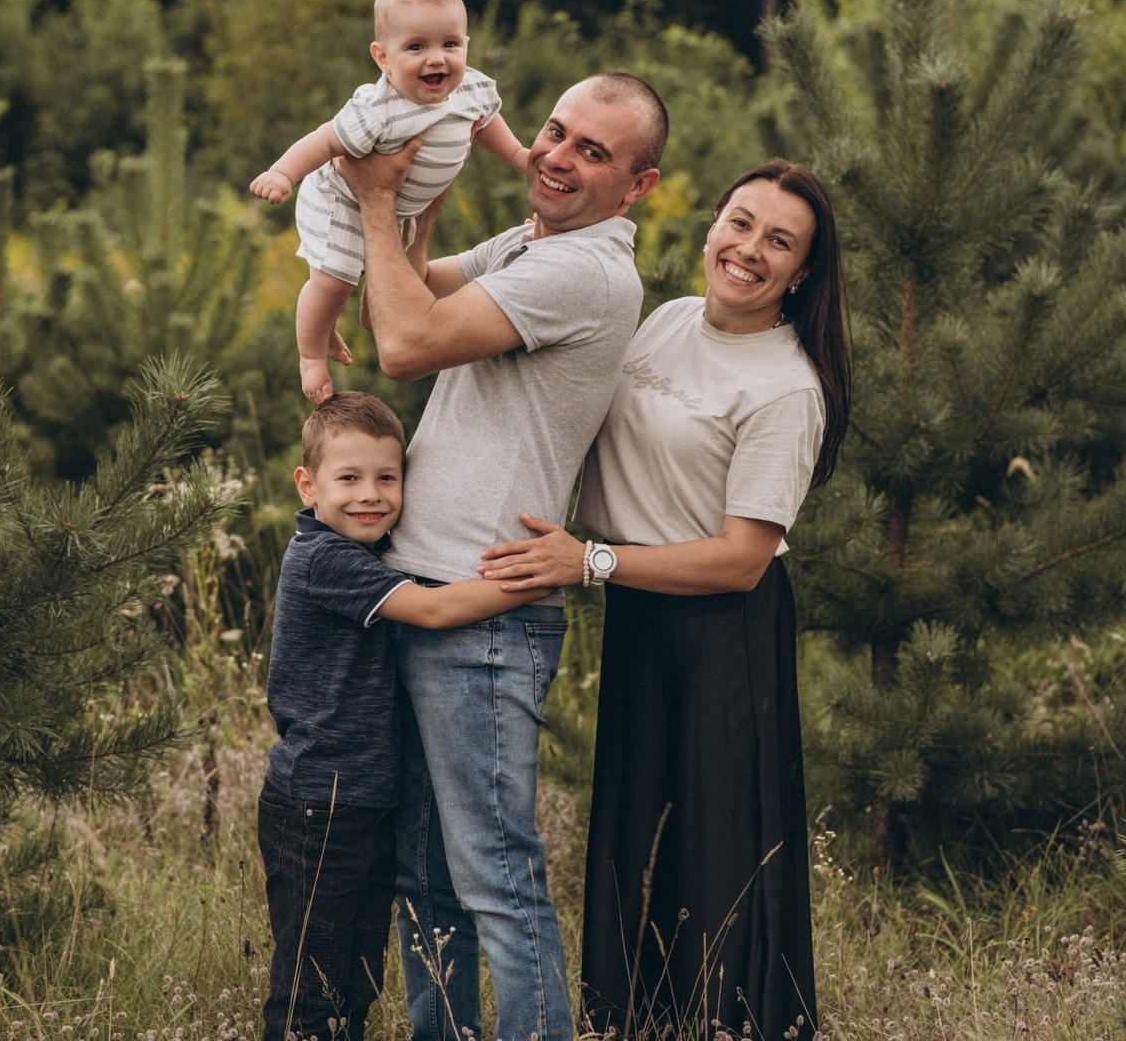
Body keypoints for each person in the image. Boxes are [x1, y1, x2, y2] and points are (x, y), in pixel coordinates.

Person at [479, 160, 852, 1041]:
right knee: (634, 838)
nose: (749, 250)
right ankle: (633, 1022)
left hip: (724, 633)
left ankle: (730, 1025)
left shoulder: (787, 388)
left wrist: (590, 562)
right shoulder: (669, 319)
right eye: (740, 222)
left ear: (801, 273)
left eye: (779, 242)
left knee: (717, 852)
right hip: (640, 611)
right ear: (714, 223)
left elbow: (741, 561)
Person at [340, 74, 669, 1041]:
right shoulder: (537, 244)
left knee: (496, 879)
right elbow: (404, 294)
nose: (558, 156)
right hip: (428, 589)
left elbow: (402, 345)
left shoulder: (585, 272)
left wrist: (371, 200)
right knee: (425, 877)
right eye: (556, 132)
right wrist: (415, 201)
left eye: (593, 152)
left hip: (485, 613)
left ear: (639, 187)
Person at [258, 391, 551, 1041]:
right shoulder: (323, 560)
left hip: (359, 802)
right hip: (319, 807)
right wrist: (540, 578)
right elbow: (435, 610)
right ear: (307, 485)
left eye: (387, 478)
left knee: (354, 984)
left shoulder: (363, 549)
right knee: (314, 991)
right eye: (349, 478)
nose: (371, 495)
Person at [249, 0, 530, 405]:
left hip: (402, 207)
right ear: (383, 57)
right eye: (416, 47)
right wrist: (283, 173)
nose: (436, 59)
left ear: (467, 45)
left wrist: (518, 156)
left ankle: (344, 320)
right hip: (341, 199)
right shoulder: (378, 109)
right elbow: (325, 140)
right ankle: (310, 353)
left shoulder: (471, 88)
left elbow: (488, 123)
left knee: (393, 283)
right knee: (333, 282)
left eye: (449, 44)